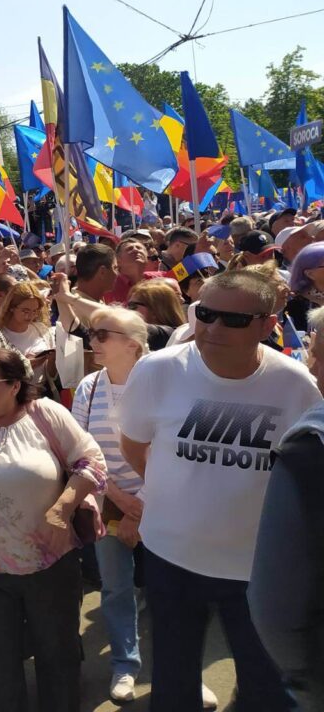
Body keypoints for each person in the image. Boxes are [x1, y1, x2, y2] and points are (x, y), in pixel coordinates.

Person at [118, 269, 321, 711]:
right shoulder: (157, 371)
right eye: (205, 314)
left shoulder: (295, 385)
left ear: (268, 325)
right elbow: (134, 447)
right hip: (170, 557)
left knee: (265, 689)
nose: (212, 329)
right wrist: (177, 496)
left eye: (234, 320)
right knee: (173, 682)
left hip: (256, 568)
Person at [0, 348, 106, 712]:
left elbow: (91, 462)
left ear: (14, 385)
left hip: (52, 565)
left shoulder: (45, 414)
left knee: (57, 655)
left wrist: (62, 508)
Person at [70, 306, 151, 703]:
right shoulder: (89, 387)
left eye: (102, 334)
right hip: (108, 500)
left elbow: (172, 449)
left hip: (161, 500)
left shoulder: (157, 383)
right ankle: (125, 664)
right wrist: (119, 499)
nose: (93, 341)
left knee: (171, 591)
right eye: (91, 333)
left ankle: (180, 669)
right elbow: (81, 451)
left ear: (133, 344)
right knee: (116, 588)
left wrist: (143, 504)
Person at [250, 304, 324, 710]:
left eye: (318, 355)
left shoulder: (309, 447)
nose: (311, 365)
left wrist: (304, 685)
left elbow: (277, 607)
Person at [0, 280, 54, 356]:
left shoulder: (41, 329)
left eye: (35, 311)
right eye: (25, 311)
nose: (30, 316)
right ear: (12, 307)